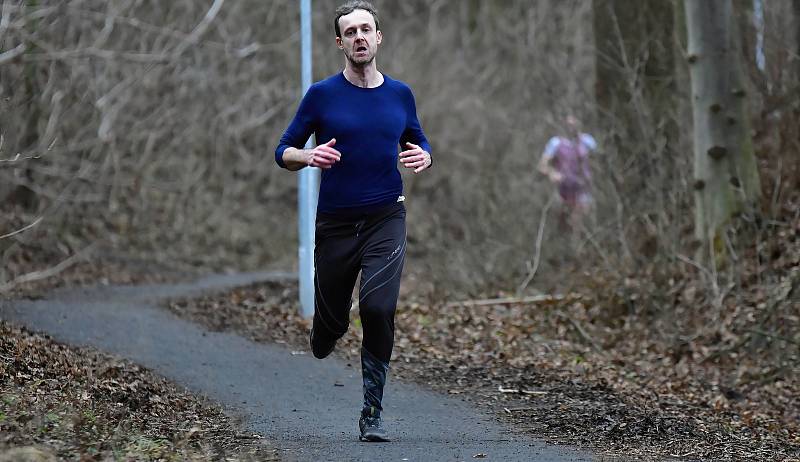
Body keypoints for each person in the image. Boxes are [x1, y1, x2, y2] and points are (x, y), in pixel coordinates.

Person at [274, 0, 432, 443]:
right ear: (340, 42)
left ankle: (372, 411)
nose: (359, 37)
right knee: (330, 326)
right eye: (350, 31)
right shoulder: (322, 95)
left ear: (379, 37)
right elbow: (282, 150)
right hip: (337, 224)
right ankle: (327, 327)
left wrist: (425, 154)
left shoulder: (400, 94)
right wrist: (308, 155)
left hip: (386, 216)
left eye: (367, 29)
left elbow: (417, 138)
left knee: (379, 307)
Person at [538, 115, 597, 231]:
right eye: (568, 125)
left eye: (573, 124)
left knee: (582, 223)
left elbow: (600, 162)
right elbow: (542, 165)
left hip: (584, 188)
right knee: (565, 226)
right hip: (564, 191)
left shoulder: (587, 141)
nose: (571, 127)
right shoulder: (556, 143)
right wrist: (552, 173)